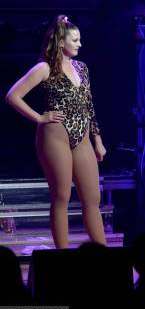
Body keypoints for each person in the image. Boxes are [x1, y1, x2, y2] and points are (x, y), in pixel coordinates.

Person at [5, 15, 107, 249]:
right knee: (61, 196)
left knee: (92, 198)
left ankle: (103, 254)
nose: (80, 44)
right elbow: (13, 96)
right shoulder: (45, 67)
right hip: (55, 135)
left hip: (81, 135)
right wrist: (40, 117)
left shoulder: (82, 68)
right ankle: (63, 255)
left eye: (80, 40)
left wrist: (97, 140)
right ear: (61, 42)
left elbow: (88, 105)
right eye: (75, 40)